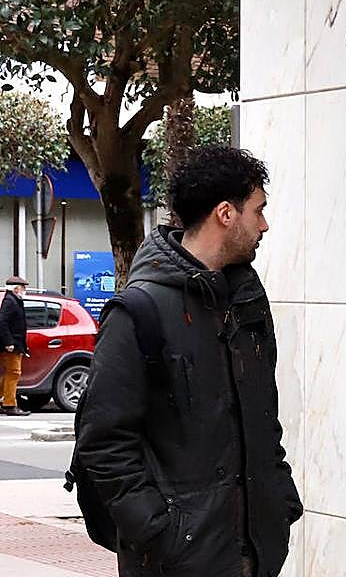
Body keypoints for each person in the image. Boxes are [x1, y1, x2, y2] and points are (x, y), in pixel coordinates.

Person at [74, 147, 302, 577]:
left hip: (254, 554)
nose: (265, 225)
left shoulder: (247, 302)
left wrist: (280, 502)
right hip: (174, 560)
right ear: (225, 214)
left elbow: (263, 420)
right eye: (258, 210)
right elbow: (103, 442)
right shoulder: (138, 311)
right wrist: (159, 533)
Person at [0, 275, 30, 417]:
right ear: (16, 289)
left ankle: (4, 400)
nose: (24, 291)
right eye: (23, 288)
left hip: (15, 344)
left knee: (9, 374)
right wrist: (9, 342)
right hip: (12, 345)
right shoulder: (10, 301)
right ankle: (10, 405)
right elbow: (2, 322)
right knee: (14, 373)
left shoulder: (14, 300)